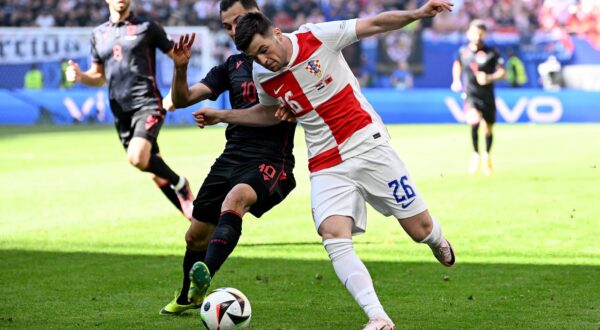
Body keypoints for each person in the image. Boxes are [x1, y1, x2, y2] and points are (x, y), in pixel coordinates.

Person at [193, 3, 455, 329]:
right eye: (254, 56)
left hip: (367, 144)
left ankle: (437, 239)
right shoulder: (262, 73)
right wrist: (223, 115)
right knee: (332, 234)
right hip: (324, 160)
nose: (263, 60)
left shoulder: (319, 36)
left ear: (276, 33)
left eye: (263, 49)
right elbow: (266, 112)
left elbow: (375, 24)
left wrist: (416, 15)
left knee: (420, 230)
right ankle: (379, 317)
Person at [159, 0, 297, 315]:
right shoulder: (232, 66)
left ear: (257, 15)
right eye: (227, 26)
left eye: (238, 22)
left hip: (271, 159)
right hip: (232, 156)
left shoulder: (283, 54)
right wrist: (180, 69)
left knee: (235, 200)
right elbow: (182, 99)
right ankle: (187, 297)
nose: (234, 31)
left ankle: (206, 277)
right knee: (195, 236)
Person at [65, 0, 194, 220]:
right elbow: (99, 76)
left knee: (136, 157)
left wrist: (176, 92)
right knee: (154, 171)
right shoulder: (98, 34)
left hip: (148, 103)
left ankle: (181, 184)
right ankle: (197, 222)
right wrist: (80, 76)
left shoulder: (148, 27)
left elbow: (179, 58)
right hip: (120, 110)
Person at [451, 19, 505, 176]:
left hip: (487, 96)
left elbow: (503, 73)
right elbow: (457, 65)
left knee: (488, 129)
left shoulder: (492, 53)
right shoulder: (463, 52)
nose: (477, 37)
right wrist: (456, 80)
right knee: (473, 121)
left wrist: (489, 77)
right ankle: (475, 154)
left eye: (480, 34)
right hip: (471, 95)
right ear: (468, 33)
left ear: (485, 34)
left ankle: (487, 155)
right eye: (474, 33)